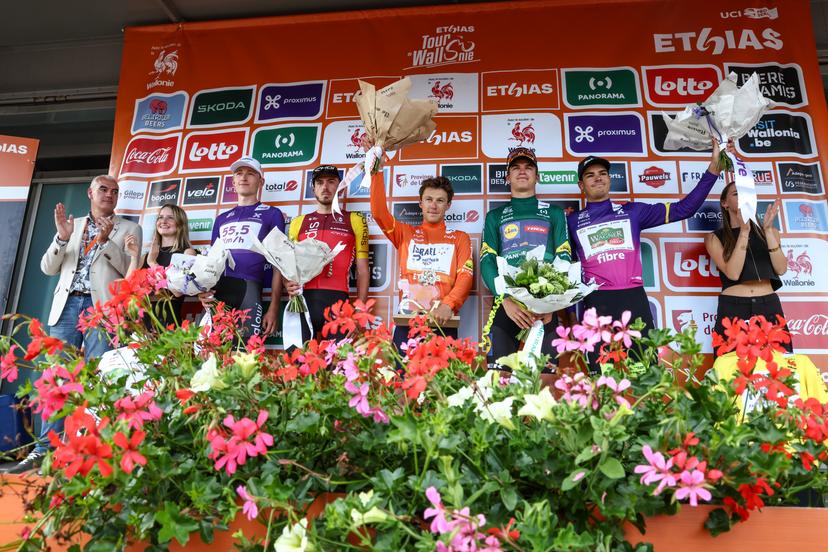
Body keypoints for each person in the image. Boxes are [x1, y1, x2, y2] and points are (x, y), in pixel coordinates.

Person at [2, 175, 141, 474]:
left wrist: (105, 243)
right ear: (90, 193)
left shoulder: (130, 228)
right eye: (103, 190)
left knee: (97, 380)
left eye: (115, 192)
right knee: (57, 381)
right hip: (66, 307)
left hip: (102, 310)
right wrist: (62, 238)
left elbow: (131, 270)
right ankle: (43, 452)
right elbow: (47, 268)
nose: (109, 195)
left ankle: (91, 454)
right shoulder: (73, 224)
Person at [568, 140, 724, 341]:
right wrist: (572, 317)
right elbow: (568, 271)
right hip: (596, 298)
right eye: (590, 175)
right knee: (601, 369)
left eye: (602, 174)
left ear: (609, 179)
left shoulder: (632, 212)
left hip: (633, 297)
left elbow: (685, 209)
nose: (598, 178)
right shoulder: (571, 222)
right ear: (581, 185)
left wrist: (713, 170)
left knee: (647, 367)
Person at [480, 148, 571, 368]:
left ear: (537, 176)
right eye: (516, 168)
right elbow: (487, 261)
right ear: (507, 177)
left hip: (546, 309)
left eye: (529, 167)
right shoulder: (495, 216)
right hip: (507, 305)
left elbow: (564, 256)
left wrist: (549, 302)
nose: (522, 171)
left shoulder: (554, 213)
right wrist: (505, 299)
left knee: (546, 380)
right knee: (497, 378)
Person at [369, 163, 473, 349]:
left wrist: (448, 305)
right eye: (428, 199)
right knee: (403, 378)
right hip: (407, 321)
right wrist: (376, 170)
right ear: (420, 203)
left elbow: (465, 276)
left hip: (443, 321)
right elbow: (378, 213)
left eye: (440, 200)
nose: (433, 205)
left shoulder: (460, 238)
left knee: (443, 379)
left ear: (448, 205)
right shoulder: (404, 233)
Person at [198, 157, 284, 340]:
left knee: (247, 356)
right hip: (219, 291)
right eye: (239, 173)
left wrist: (274, 308)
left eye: (250, 174)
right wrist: (203, 291)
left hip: (250, 289)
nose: (244, 178)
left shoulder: (272, 214)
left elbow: (279, 264)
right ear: (233, 181)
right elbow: (211, 263)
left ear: (261, 182)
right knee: (216, 356)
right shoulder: (221, 218)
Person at [283, 165, 370, 344]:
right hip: (302, 300)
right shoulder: (298, 222)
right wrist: (287, 284)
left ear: (340, 187)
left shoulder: (355, 219)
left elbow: (362, 270)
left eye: (331, 182)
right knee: (298, 364)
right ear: (313, 188)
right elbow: (287, 265)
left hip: (337, 301)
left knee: (337, 366)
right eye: (320, 182)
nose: (325, 187)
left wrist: (361, 309)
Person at [705, 182, 791, 353]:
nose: (743, 197)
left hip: (769, 305)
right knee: (731, 370)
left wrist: (766, 231)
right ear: (724, 203)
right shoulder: (714, 238)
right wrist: (744, 232)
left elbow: (781, 269)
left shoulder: (770, 231)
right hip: (734, 307)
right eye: (737, 194)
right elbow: (733, 273)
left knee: (779, 363)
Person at [125, 203, 196, 327]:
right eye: (160, 217)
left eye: (170, 217)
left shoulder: (187, 253)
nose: (163, 221)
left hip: (168, 323)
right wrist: (134, 257)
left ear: (180, 223)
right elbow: (127, 288)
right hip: (141, 325)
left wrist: (153, 264)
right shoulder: (147, 256)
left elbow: (177, 291)